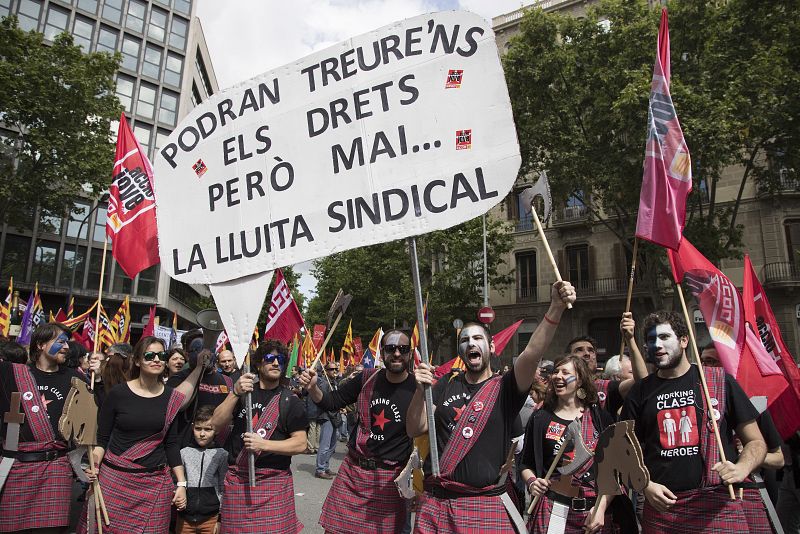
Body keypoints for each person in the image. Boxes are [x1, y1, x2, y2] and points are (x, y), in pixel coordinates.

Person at [407, 281, 576, 533]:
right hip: (439, 502)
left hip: (485, 503)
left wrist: (555, 308)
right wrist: (420, 391)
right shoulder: (444, 384)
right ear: (460, 351)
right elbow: (414, 428)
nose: (471, 343)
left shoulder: (506, 387)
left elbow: (531, 353)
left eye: (477, 338)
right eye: (465, 340)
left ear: (492, 347)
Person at [621, 310, 770, 533]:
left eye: (664, 337)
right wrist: (645, 485)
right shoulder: (640, 392)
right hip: (664, 511)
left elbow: (756, 442)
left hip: (719, 504)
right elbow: (624, 452)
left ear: (684, 340)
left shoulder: (719, 381)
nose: (657, 345)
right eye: (651, 340)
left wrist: (742, 468)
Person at [79, 335, 208, 534]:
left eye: (161, 355)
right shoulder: (118, 393)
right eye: (150, 355)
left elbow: (171, 444)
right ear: (138, 360)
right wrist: (93, 465)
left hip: (155, 485)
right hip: (114, 480)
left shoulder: (171, 397)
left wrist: (182, 484)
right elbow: (102, 439)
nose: (156, 359)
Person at [299, 329, 417, 533]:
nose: (397, 353)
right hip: (354, 472)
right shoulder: (367, 378)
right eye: (391, 348)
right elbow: (332, 402)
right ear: (382, 352)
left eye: (403, 349)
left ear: (410, 353)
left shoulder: (418, 388)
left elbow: (426, 434)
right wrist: (312, 388)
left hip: (390, 479)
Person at [0, 323, 98, 533]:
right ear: (41, 344)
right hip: (16, 467)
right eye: (60, 342)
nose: (66, 347)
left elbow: (85, 426)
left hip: (56, 467)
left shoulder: (76, 378)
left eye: (67, 343)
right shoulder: (11, 373)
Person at [211, 341, 307, 533]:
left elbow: (300, 443)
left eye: (280, 359)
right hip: (239, 481)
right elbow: (215, 424)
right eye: (270, 358)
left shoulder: (290, 400)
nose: (275, 363)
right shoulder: (243, 392)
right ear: (257, 364)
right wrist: (235, 393)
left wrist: (264, 444)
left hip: (274, 482)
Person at [521, 355, 618, 533]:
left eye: (565, 372)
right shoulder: (540, 418)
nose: (558, 376)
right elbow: (526, 464)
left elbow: (615, 470)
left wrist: (601, 508)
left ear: (580, 379)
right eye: (556, 371)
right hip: (554, 511)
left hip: (593, 513)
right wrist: (533, 482)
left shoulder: (599, 418)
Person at [566, 312, 647, 416]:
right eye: (579, 350)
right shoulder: (559, 388)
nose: (587, 354)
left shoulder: (607, 388)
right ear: (568, 358)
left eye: (591, 350)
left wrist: (630, 339)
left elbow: (642, 381)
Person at [168, 332, 234, 446]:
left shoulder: (227, 381)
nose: (205, 354)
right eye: (198, 350)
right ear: (188, 355)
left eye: (208, 350)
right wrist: (199, 367)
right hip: (186, 446)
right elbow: (176, 404)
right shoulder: (179, 378)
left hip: (219, 448)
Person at [177, 405, 228, 534]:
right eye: (198, 428)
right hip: (185, 518)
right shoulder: (184, 453)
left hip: (211, 518)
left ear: (215, 430)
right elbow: (176, 481)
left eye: (208, 429)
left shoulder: (221, 454)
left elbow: (223, 487)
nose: (202, 434)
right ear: (193, 427)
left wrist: (220, 518)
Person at [315, 362, 342, 479]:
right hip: (326, 416)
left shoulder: (334, 383)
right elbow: (323, 400)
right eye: (331, 369)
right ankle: (320, 469)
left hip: (334, 416)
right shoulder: (324, 384)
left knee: (333, 444)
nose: (334, 371)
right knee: (325, 445)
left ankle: (325, 466)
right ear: (325, 371)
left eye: (336, 369)